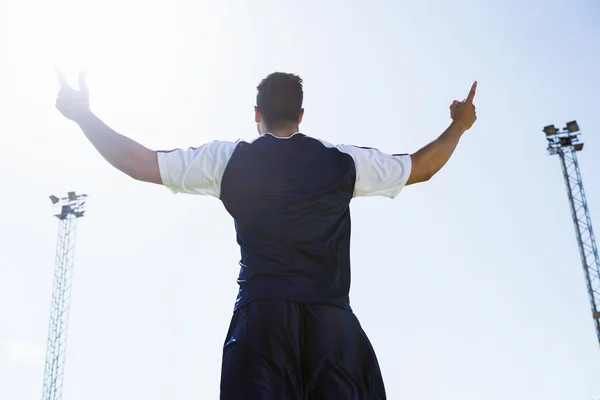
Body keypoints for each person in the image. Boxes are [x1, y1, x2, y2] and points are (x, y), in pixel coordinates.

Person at [54, 69, 477, 399]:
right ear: (301, 114)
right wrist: (459, 125)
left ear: (256, 114)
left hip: (263, 321)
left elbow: (138, 162)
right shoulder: (343, 162)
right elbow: (422, 167)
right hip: (331, 326)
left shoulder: (228, 160)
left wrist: (83, 116)